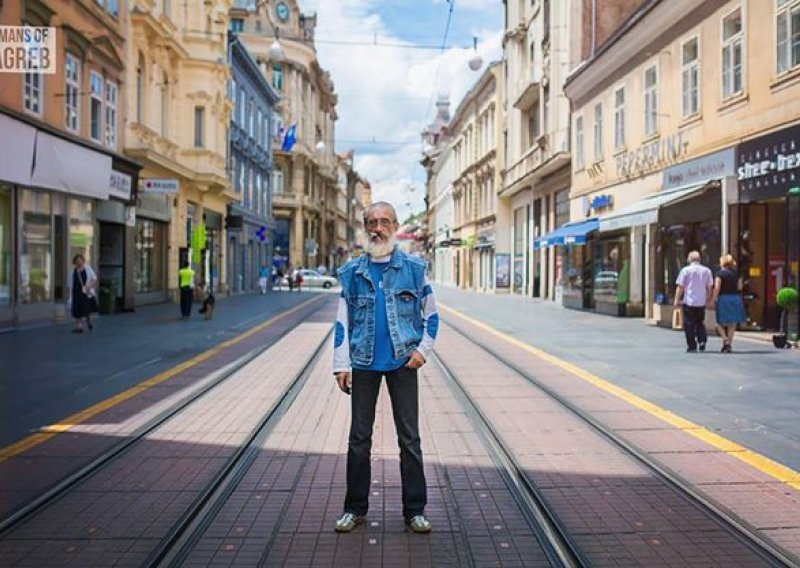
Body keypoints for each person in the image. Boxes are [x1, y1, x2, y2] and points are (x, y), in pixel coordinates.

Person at [332, 201, 439, 535]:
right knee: (358, 439)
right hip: (363, 363)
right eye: (372, 222)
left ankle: (415, 511)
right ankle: (354, 509)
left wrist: (423, 350)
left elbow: (431, 315)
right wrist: (340, 364)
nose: (378, 228)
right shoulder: (351, 272)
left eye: (384, 221)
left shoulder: (414, 268)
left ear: (395, 225)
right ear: (365, 227)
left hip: (403, 361)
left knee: (409, 439)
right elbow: (342, 323)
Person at [674, 251, 714, 352]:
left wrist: (677, 299)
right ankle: (702, 341)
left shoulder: (685, 270)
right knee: (700, 322)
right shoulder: (706, 271)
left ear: (689, 259)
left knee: (689, 324)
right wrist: (709, 298)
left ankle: (692, 345)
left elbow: (680, 287)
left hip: (689, 301)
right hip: (701, 301)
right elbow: (709, 287)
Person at [712, 254, 746, 353]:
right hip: (735, 298)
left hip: (723, 298)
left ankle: (725, 339)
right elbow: (740, 287)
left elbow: (717, 288)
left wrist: (713, 299)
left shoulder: (719, 274)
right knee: (732, 323)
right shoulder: (737, 274)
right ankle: (728, 345)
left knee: (719, 321)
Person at [70, 254, 97, 333]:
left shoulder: (87, 269)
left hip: (86, 292)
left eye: (80, 260)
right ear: (75, 262)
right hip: (76, 292)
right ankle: (79, 327)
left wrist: (89, 286)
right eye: (77, 261)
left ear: (83, 260)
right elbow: (70, 282)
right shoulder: (73, 271)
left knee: (87, 309)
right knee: (77, 309)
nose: (79, 262)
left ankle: (89, 322)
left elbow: (94, 278)